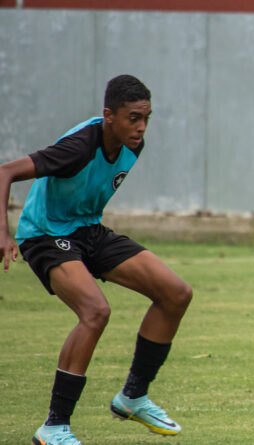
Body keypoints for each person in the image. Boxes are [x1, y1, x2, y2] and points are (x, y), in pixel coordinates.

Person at [0, 75, 192, 445]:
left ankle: (133, 396)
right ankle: (54, 426)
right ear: (108, 115)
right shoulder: (78, 147)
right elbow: (5, 171)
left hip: (88, 231)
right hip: (45, 234)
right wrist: (2, 232)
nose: (141, 127)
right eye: (133, 118)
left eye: (146, 118)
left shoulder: (132, 145)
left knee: (176, 293)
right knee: (95, 311)